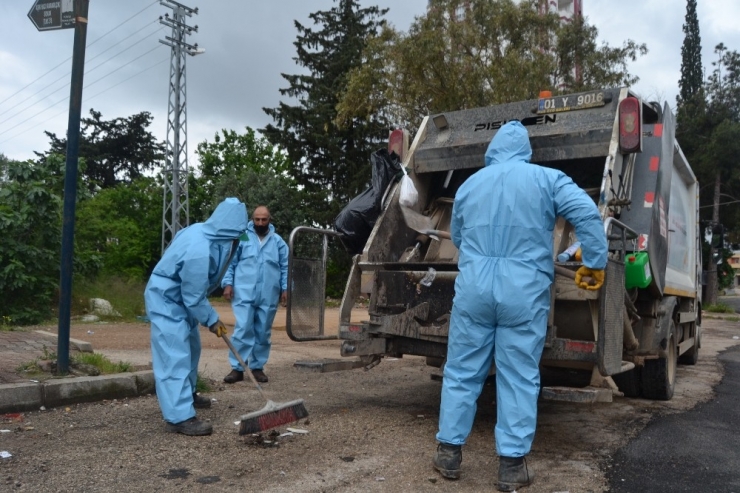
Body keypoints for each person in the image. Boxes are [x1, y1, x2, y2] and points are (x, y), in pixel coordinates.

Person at [432, 121, 608, 491]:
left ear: (493, 149)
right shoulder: (548, 178)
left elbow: (460, 236)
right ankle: (511, 467)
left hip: (475, 289)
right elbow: (587, 214)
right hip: (524, 291)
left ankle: (449, 453)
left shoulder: (470, 185)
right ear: (526, 150)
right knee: (517, 376)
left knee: (462, 370)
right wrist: (593, 261)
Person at [145, 197, 247, 436]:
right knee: (174, 354)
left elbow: (194, 293)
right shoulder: (199, 250)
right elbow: (192, 296)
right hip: (167, 299)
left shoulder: (211, 234)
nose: (239, 238)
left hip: (182, 298)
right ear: (229, 227)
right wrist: (212, 319)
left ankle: (187, 394)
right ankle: (179, 417)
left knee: (191, 347)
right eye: (237, 233)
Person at [221, 205, 288, 384]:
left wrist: (286, 288)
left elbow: (286, 267)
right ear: (252, 219)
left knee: (263, 331)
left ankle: (257, 367)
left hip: (268, 293)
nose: (260, 223)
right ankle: (237, 368)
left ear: (269, 220)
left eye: (263, 219)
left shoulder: (278, 242)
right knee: (243, 329)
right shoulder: (242, 237)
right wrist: (227, 283)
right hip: (244, 292)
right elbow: (230, 262)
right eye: (257, 219)